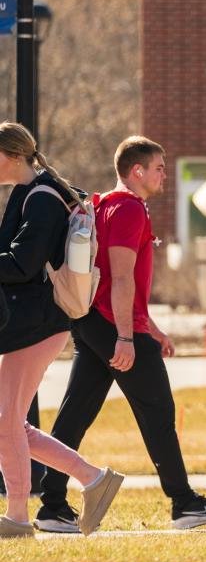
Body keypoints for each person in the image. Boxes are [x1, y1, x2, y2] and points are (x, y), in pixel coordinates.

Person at [36, 136, 206, 533]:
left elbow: (113, 281)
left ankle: (52, 507)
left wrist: (153, 329)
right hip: (114, 325)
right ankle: (184, 504)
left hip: (94, 320)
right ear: (137, 170)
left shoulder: (105, 204)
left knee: (75, 414)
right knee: (158, 414)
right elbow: (123, 276)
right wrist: (128, 339)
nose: (164, 175)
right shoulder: (129, 208)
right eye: (159, 167)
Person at [0, 123, 124, 538]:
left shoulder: (42, 200)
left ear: (13, 156)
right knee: (12, 423)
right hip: (31, 323)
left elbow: (22, 265)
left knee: (5, 421)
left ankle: (18, 517)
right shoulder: (28, 194)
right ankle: (93, 478)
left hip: (37, 324)